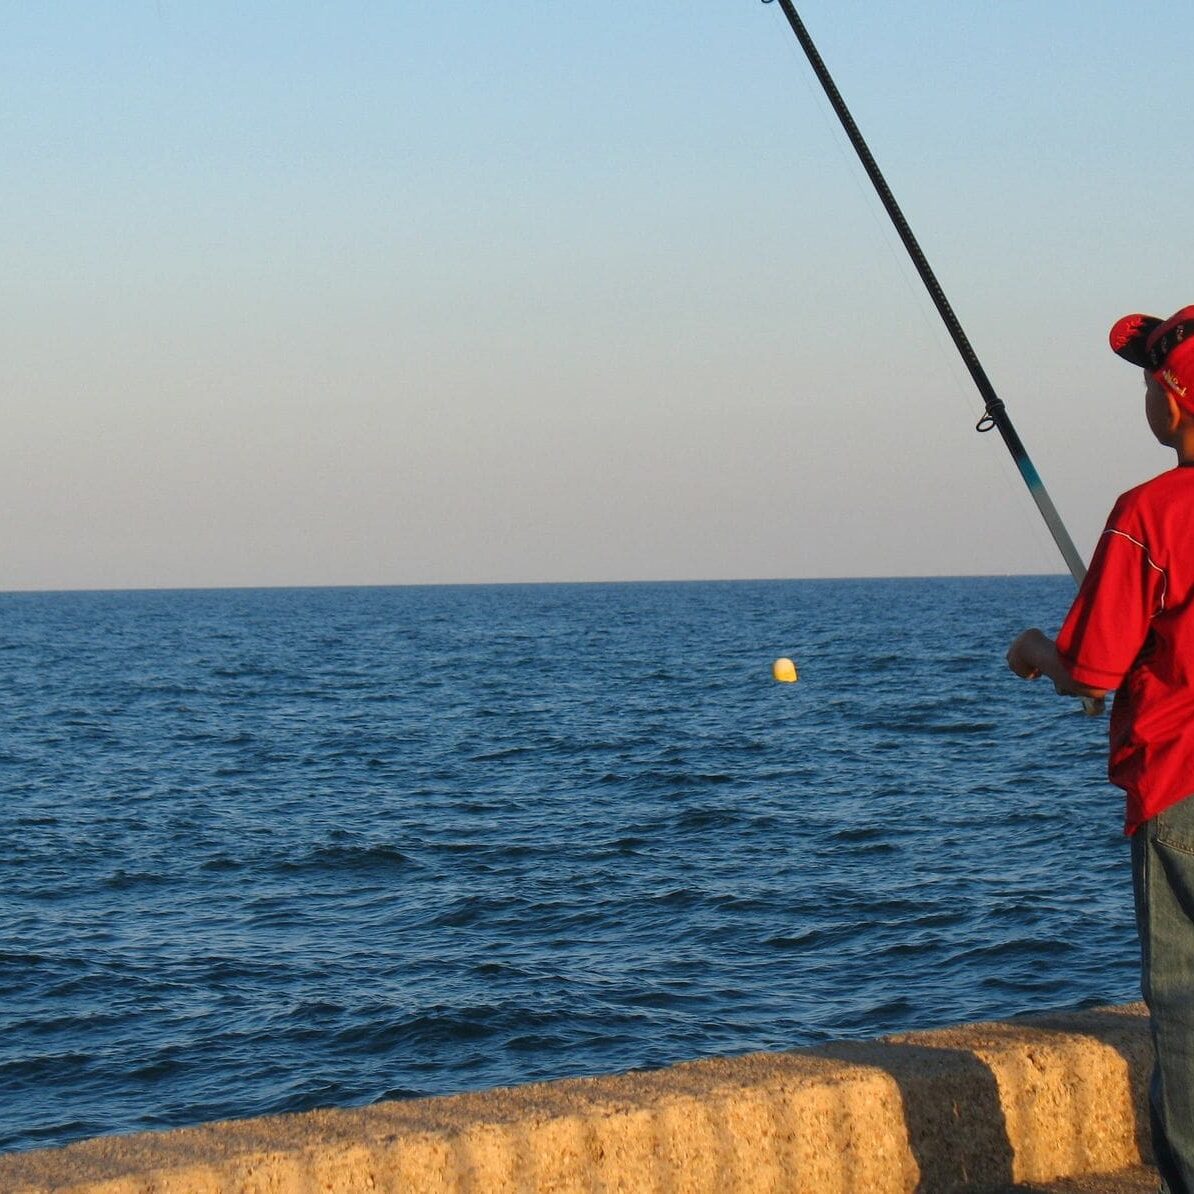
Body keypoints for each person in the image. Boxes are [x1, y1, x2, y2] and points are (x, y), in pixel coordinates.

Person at [1007, 304, 1194, 1194]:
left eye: (1149, 385)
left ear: (1173, 397)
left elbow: (1090, 672)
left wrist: (1036, 650)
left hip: (1181, 789)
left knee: (1190, 1021)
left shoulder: (1150, 513)